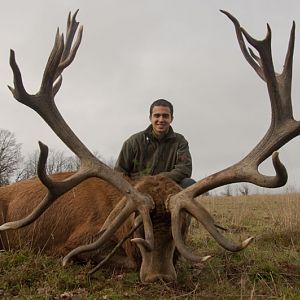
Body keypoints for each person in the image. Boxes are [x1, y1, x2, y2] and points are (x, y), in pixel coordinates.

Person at [114, 99, 196, 188]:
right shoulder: (133, 141)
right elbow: (119, 172)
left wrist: (155, 180)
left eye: (165, 116)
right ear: (150, 118)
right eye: (157, 116)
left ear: (171, 119)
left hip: (166, 188)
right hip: (137, 190)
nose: (161, 120)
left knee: (189, 183)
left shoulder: (180, 141)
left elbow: (185, 169)